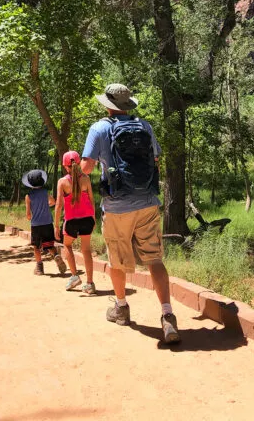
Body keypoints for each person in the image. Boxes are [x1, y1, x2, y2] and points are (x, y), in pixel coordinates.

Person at [80, 83, 181, 344]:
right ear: (127, 105)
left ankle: (121, 308)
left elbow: (86, 167)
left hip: (117, 208)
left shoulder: (99, 128)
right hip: (147, 203)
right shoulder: (144, 127)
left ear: (108, 105)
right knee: (154, 259)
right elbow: (155, 159)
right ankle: (168, 316)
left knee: (118, 259)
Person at [54, 150, 96, 295]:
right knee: (86, 250)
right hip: (87, 219)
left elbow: (59, 205)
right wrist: (94, 218)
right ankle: (89, 283)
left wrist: (56, 225)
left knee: (67, 244)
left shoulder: (62, 182)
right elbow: (91, 199)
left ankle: (74, 276)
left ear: (65, 167)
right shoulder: (86, 179)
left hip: (71, 221)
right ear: (78, 163)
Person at [23, 169, 67, 276]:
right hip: (47, 223)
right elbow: (53, 202)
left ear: (30, 183)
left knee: (37, 247)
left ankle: (39, 267)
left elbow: (28, 215)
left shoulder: (28, 196)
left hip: (36, 225)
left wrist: (30, 217)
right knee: (49, 244)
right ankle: (56, 255)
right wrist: (47, 205)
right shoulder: (45, 192)